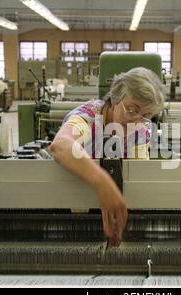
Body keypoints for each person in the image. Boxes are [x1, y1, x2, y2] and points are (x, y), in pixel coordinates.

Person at [50, 67, 166, 247]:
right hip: (72, 211)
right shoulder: (89, 116)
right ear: (114, 99)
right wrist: (102, 182)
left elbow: (137, 178)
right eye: (132, 110)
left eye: (146, 116)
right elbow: (61, 145)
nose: (137, 121)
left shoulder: (141, 131)